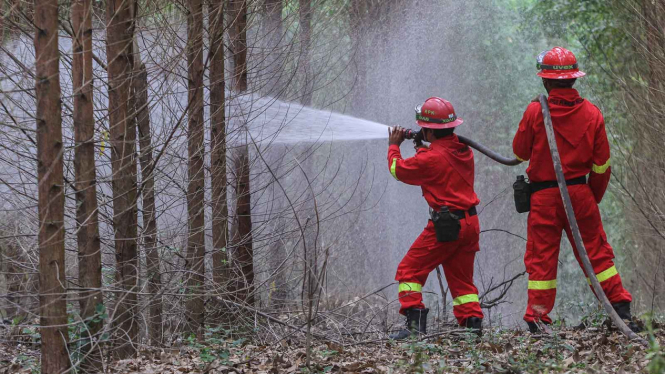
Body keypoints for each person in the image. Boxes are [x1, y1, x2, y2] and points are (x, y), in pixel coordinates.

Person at [513, 46, 639, 333]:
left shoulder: (535, 110)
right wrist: (590, 198)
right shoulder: (592, 114)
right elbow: (601, 166)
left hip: (544, 197)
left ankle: (539, 318)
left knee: (542, 257)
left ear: (545, 81)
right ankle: (620, 308)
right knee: (597, 253)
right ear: (574, 79)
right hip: (580, 194)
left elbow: (519, 152)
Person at [388, 97, 483, 340]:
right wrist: (422, 147)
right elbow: (437, 162)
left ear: (430, 130)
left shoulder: (430, 159)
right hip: (469, 223)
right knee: (462, 281)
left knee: (409, 270)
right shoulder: (464, 151)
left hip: (447, 226)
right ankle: (473, 327)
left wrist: (394, 146)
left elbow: (398, 170)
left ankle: (414, 324)